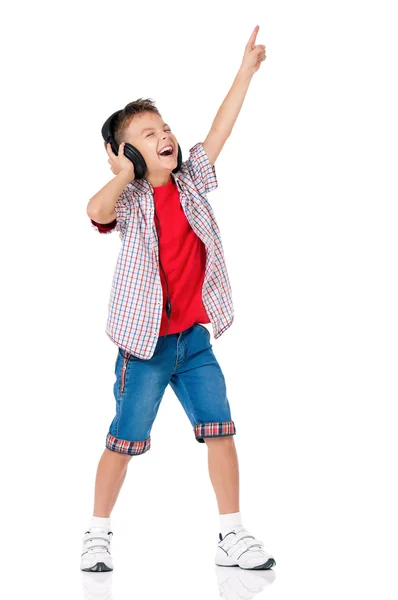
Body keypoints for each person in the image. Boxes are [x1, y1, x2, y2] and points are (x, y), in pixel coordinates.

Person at [81, 25, 275, 573]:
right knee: (124, 439)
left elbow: (220, 131)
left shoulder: (191, 181)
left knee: (222, 428)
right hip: (144, 349)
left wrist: (244, 72)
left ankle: (231, 534)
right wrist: (123, 173)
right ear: (125, 152)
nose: (163, 135)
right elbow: (96, 211)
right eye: (147, 133)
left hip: (193, 342)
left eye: (164, 127)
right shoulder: (134, 199)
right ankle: (97, 534)